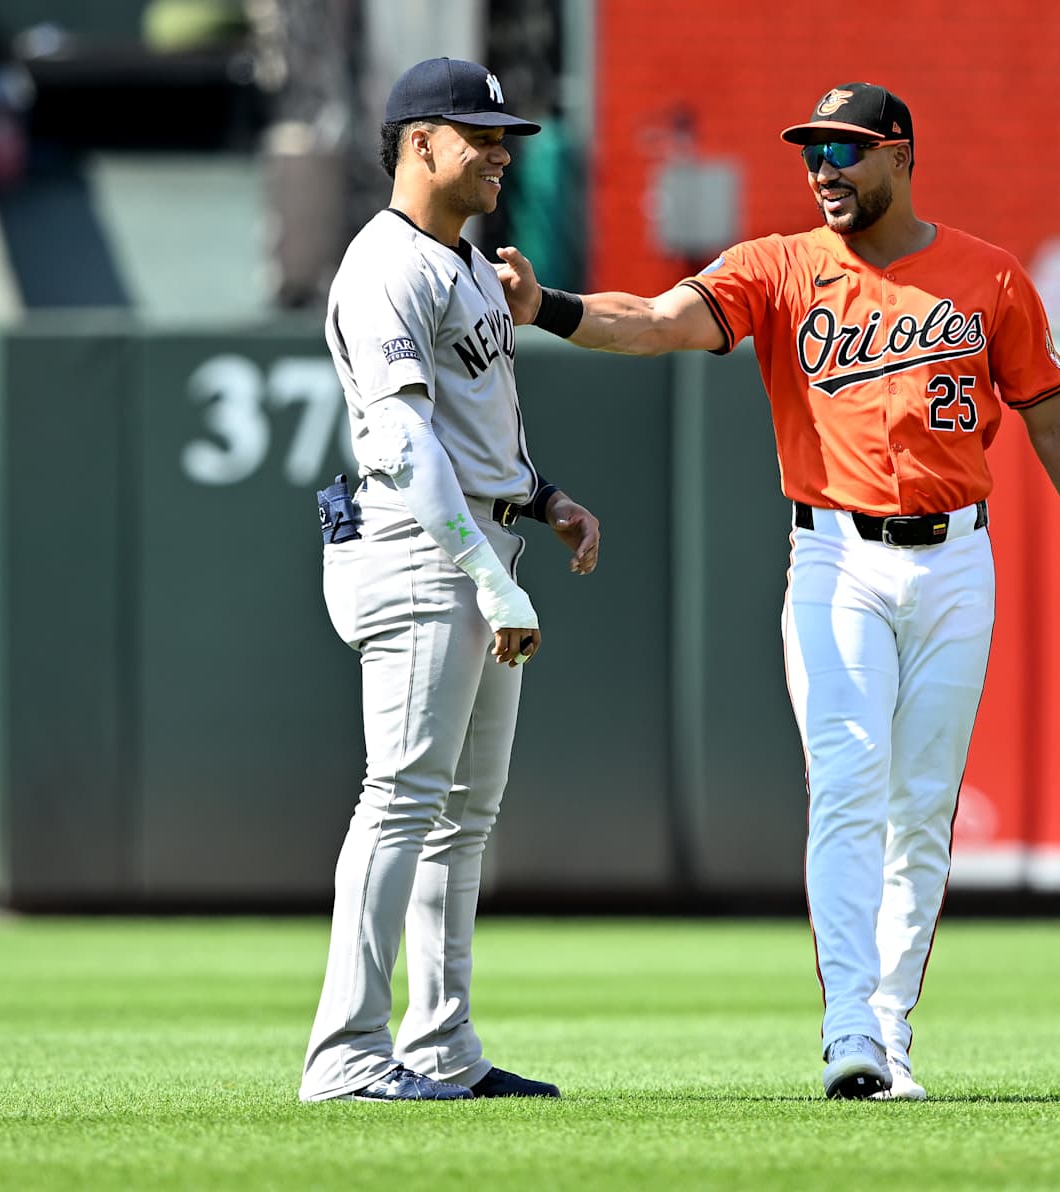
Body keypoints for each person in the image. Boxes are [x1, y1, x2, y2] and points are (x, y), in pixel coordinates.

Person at [495, 82, 1060, 1100]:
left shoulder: (988, 279)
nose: (824, 169)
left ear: (902, 155)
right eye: (814, 152)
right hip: (834, 557)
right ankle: (851, 1027)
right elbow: (649, 321)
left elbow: (1052, 419)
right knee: (851, 782)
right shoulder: (778, 267)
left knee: (923, 806)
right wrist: (546, 307)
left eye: (846, 150)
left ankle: (892, 1028)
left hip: (957, 559)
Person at [299, 57, 600, 1103]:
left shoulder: (466, 262)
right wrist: (485, 573)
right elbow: (402, 441)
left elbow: (469, 433)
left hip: (476, 545)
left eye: (504, 132)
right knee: (402, 797)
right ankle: (344, 1055)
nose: (502, 151)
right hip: (422, 552)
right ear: (419, 141)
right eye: (479, 133)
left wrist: (544, 496)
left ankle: (440, 1046)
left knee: (461, 816)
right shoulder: (384, 263)